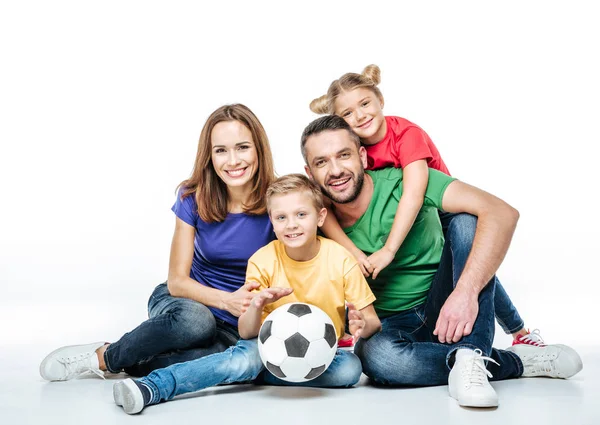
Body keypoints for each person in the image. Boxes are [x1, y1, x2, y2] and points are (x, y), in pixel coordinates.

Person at [300, 115, 582, 408]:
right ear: (309, 173)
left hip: (445, 301)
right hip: (389, 325)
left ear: (362, 156)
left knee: (466, 221)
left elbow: (502, 213)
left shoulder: (404, 184)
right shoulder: (311, 219)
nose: (335, 170)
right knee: (377, 360)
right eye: (321, 162)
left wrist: (465, 292)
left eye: (343, 155)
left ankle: (472, 353)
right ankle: (509, 361)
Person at [39, 104, 277, 381]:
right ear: (209, 156)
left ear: (259, 149)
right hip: (185, 303)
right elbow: (177, 281)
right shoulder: (193, 198)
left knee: (210, 361)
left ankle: (135, 362)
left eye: (243, 147)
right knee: (198, 323)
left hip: (239, 323)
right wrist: (228, 301)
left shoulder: (281, 201)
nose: (233, 160)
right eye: (221, 150)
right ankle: (103, 357)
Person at [112, 174, 381, 414]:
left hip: (320, 354)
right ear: (271, 222)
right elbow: (246, 332)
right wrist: (256, 305)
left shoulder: (340, 258)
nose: (292, 225)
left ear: (320, 217)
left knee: (349, 370)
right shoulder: (262, 260)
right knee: (241, 359)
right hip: (265, 347)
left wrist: (358, 324)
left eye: (301, 215)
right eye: (281, 217)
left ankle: (251, 374)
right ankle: (154, 386)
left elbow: (371, 322)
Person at [310, 64, 537, 346]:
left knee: (472, 263)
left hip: (440, 211)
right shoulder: (351, 153)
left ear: (380, 100)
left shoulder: (406, 134)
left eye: (365, 103)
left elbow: (413, 194)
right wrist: (354, 252)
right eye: (347, 113)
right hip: (407, 219)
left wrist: (389, 250)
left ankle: (517, 332)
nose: (360, 115)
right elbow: (326, 207)